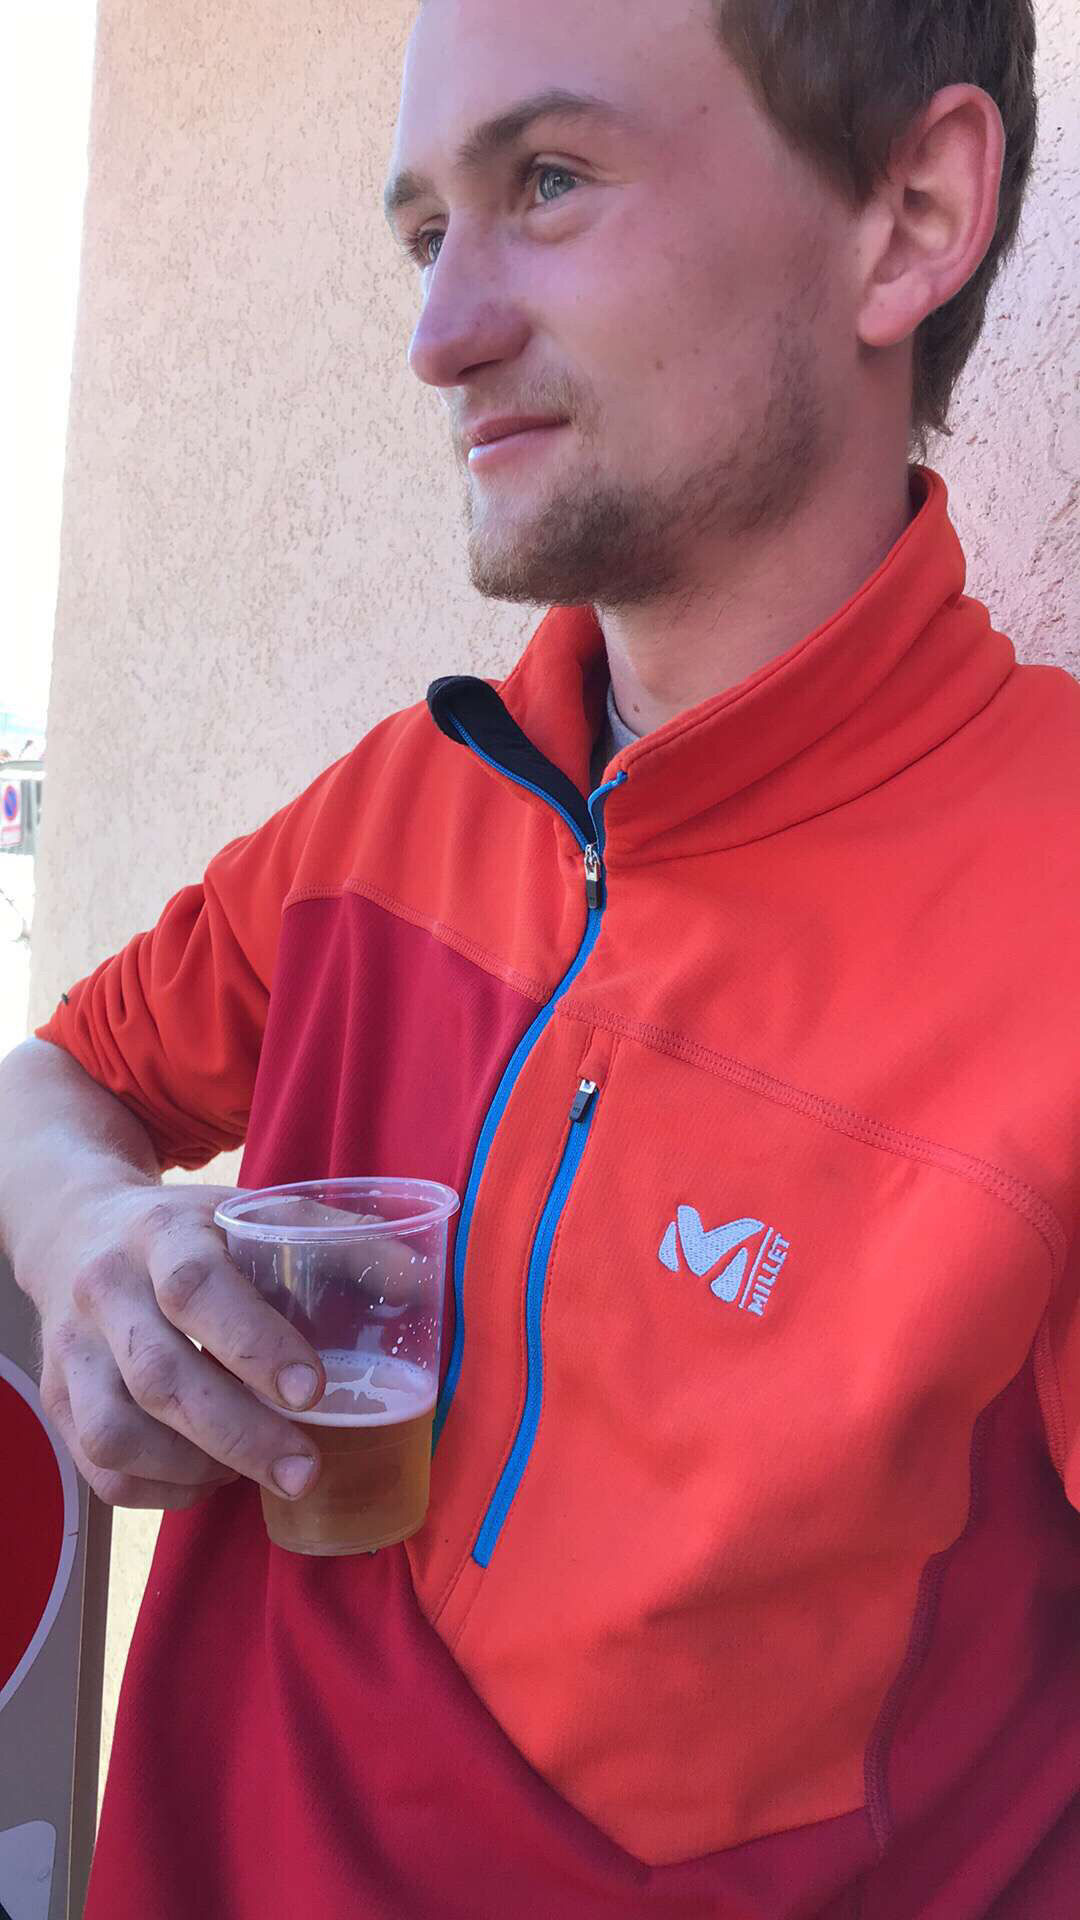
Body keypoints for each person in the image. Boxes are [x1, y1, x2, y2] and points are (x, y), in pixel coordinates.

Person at [1, 0, 1077, 1913]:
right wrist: (91, 1240)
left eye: (552, 183)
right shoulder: (394, 806)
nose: (438, 334)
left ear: (910, 214)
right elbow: (55, 1083)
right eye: (429, 231)